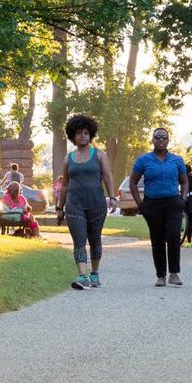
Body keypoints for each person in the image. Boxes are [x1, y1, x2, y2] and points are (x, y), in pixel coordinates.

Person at [55, 114, 115, 290]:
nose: (82, 136)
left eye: (86, 133)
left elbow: (107, 176)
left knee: (95, 239)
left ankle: (94, 273)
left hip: (96, 203)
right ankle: (82, 276)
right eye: (79, 133)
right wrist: (59, 207)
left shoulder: (99, 155)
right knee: (79, 240)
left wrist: (112, 197)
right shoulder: (68, 158)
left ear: (91, 135)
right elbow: (64, 184)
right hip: (74, 204)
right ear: (73, 135)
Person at [129, 128, 188, 287]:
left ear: (168, 140)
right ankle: (161, 276)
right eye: (157, 137)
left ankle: (174, 274)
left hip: (173, 203)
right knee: (157, 239)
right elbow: (132, 182)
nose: (160, 140)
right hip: (152, 204)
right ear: (152, 140)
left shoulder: (177, 160)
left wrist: (182, 199)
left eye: (164, 137)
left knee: (174, 236)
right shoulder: (144, 160)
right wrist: (140, 204)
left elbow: (184, 181)